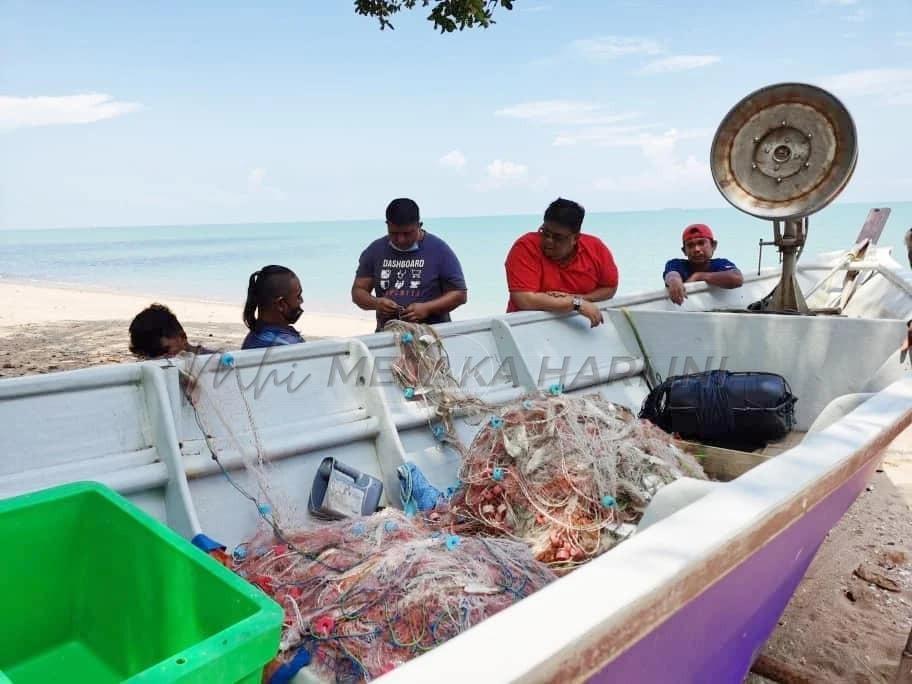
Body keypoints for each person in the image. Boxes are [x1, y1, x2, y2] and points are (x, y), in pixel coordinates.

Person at [352, 198, 468, 332]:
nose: (401, 239)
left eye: (407, 233)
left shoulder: (439, 250)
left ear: (419, 225)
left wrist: (427, 308)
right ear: (387, 225)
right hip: (388, 335)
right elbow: (358, 291)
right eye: (394, 233)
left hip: (431, 335)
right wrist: (376, 303)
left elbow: (459, 294)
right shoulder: (375, 250)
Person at [504, 197, 617, 328]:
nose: (548, 241)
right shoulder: (525, 246)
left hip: (580, 327)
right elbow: (525, 300)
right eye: (545, 233)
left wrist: (578, 298)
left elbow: (609, 287)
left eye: (558, 237)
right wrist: (575, 304)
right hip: (528, 327)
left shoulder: (595, 248)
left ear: (575, 238)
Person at [663, 223, 743, 306]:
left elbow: (737, 279)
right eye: (690, 245)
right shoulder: (677, 264)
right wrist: (674, 281)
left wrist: (699, 276)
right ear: (684, 251)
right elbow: (672, 274)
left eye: (701, 243)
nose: (696, 249)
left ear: (713, 245)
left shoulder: (720, 264)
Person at [242, 265, 306, 349]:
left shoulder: (253, 337)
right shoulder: (288, 346)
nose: (301, 300)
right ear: (281, 304)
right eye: (298, 296)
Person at [129, 304, 213, 358]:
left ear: (182, 337)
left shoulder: (213, 359)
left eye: (164, 350)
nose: (160, 358)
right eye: (151, 356)